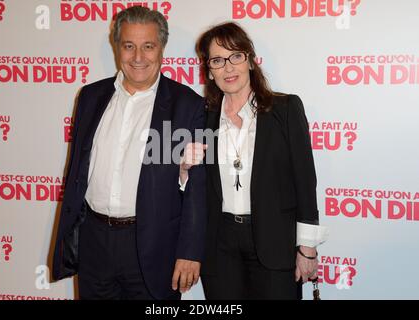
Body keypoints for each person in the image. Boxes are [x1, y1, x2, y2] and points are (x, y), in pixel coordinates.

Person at [51, 6, 207, 300]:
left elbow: (198, 187)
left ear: (162, 48)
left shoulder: (187, 106)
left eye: (148, 46)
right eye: (129, 46)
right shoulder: (90, 96)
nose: (138, 57)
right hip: (93, 242)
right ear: (116, 46)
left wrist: (189, 252)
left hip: (153, 246)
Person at [181, 22, 328, 299]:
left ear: (250, 60)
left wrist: (307, 249)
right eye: (217, 60)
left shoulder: (285, 110)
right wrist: (184, 169)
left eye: (236, 56)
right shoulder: (203, 119)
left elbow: (305, 183)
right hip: (219, 247)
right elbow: (196, 189)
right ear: (209, 72)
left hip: (274, 242)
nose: (228, 67)